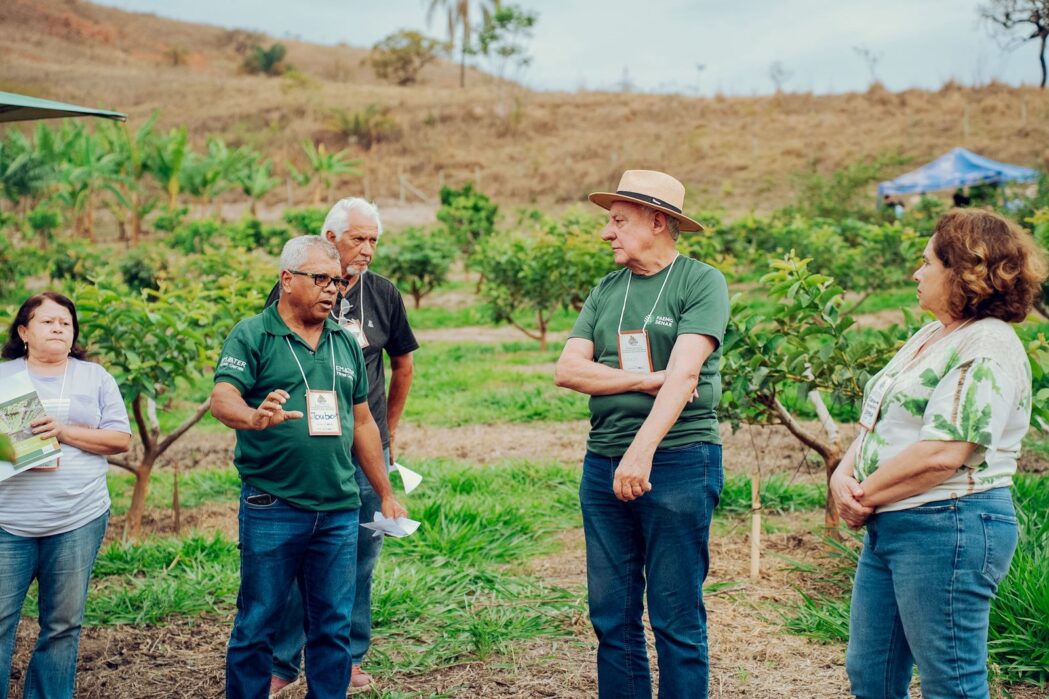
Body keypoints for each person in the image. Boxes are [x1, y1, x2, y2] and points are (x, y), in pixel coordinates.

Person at [830, 209, 1047, 698]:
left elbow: (945, 451)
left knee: (952, 682)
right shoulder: (933, 334)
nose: (916, 273)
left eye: (927, 262)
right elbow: (880, 419)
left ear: (965, 272)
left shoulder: (988, 345)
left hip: (948, 523)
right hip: (895, 519)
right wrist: (843, 474)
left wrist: (861, 494)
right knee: (871, 672)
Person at [554, 170, 730, 698]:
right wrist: (643, 379)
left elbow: (686, 376)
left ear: (657, 222)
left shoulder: (700, 282)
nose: (606, 232)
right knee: (611, 615)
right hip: (603, 461)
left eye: (618, 221)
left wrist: (640, 452)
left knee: (676, 616)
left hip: (677, 460)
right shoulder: (606, 289)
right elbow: (568, 369)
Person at [211, 236, 407, 699]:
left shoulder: (344, 342)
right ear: (287, 279)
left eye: (337, 281)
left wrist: (384, 492)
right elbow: (222, 397)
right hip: (273, 503)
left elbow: (363, 422)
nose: (332, 289)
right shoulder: (253, 334)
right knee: (258, 620)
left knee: (333, 626)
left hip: (338, 507)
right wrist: (252, 417)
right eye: (320, 279)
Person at [265, 198, 418, 693]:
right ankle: (283, 662)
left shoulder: (384, 294)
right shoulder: (293, 288)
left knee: (360, 554)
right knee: (298, 552)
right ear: (330, 239)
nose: (368, 249)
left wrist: (387, 430)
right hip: (309, 448)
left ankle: (346, 657)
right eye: (359, 238)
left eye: (374, 240)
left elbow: (403, 364)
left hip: (366, 448)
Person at [0, 292, 131, 699]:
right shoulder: (4, 377)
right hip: (8, 522)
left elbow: (120, 439)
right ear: (24, 331)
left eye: (66, 323)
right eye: (47, 321)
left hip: (77, 518)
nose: (58, 328)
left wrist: (63, 431)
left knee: (62, 625)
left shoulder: (95, 377)